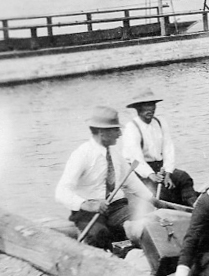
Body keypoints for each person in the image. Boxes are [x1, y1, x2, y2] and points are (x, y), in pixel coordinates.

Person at [55, 106, 155, 250]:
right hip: (88, 212)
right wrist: (87, 204)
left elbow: (131, 181)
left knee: (148, 220)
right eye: (116, 130)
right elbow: (61, 192)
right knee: (98, 235)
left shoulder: (115, 154)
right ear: (102, 132)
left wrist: (153, 200)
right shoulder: (81, 154)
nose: (120, 134)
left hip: (116, 207)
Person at [121, 88, 198, 206]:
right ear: (137, 109)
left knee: (183, 177)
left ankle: (194, 205)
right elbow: (136, 159)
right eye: (146, 106)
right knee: (158, 192)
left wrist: (168, 173)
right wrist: (151, 175)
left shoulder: (160, 122)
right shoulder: (132, 128)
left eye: (152, 105)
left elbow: (168, 149)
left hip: (159, 167)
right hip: (138, 171)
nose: (150, 109)